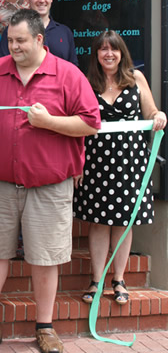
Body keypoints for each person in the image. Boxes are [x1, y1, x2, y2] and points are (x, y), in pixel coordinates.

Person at [0, 10, 100, 353]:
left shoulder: (68, 75)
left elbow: (90, 123)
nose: (12, 47)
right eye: (9, 41)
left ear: (40, 40)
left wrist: (50, 123)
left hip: (48, 186)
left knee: (45, 258)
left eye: (20, 41)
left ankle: (45, 328)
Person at [73, 30, 166, 306]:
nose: (108, 54)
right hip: (96, 161)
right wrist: (76, 162)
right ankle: (97, 279)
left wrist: (158, 116)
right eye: (102, 49)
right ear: (96, 55)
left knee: (124, 223)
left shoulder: (135, 78)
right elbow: (77, 123)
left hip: (130, 161)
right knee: (100, 222)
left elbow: (150, 111)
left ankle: (119, 279)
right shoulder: (87, 82)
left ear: (121, 52)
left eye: (113, 49)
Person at [0, 0, 78, 65]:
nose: (41, 0)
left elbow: (73, 70)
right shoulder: (13, 31)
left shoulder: (65, 32)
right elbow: (4, 67)